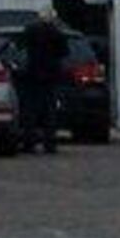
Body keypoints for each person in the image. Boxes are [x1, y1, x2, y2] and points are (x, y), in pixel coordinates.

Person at [15, 11, 70, 155]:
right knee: (50, 112)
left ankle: (29, 144)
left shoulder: (30, 30)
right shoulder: (58, 33)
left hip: (31, 75)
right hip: (51, 76)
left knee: (30, 111)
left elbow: (19, 47)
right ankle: (50, 144)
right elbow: (64, 52)